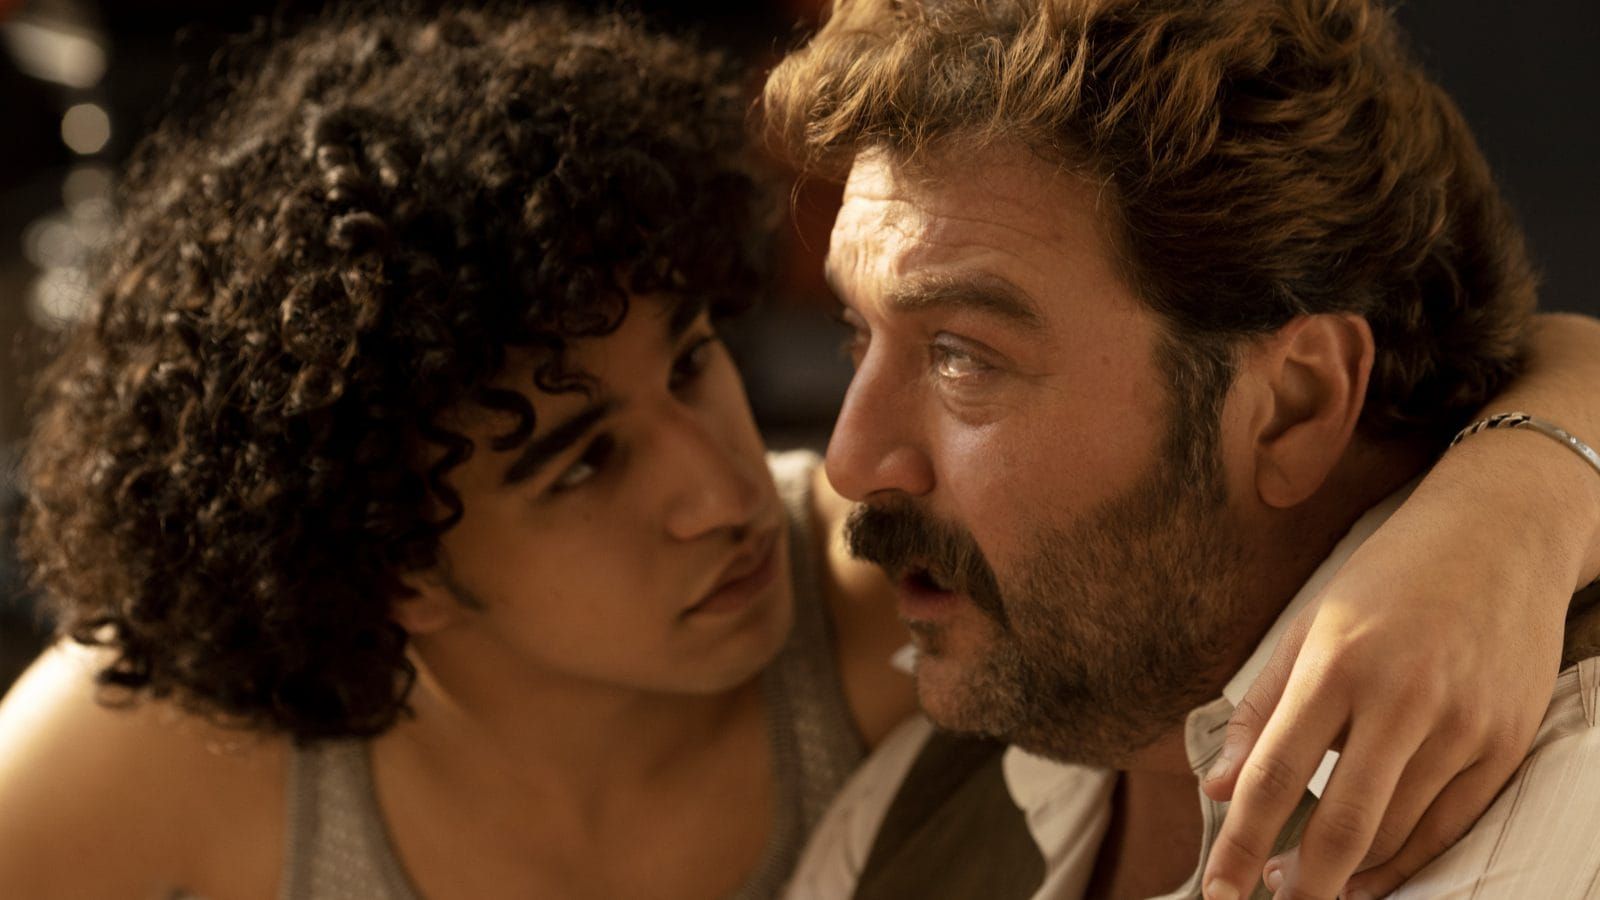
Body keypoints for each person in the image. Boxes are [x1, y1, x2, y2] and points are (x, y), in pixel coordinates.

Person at [0, 4, 1594, 899]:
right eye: (577, 462)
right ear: (386, 574)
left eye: (696, 359)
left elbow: (1451, 372)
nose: (774, 482)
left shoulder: (896, 604)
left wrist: (1516, 495)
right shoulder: (164, 746)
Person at [763, 1, 1600, 898]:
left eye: (961, 356)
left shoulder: (1560, 825)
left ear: (1295, 405)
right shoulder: (927, 794)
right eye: (857, 333)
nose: (851, 462)